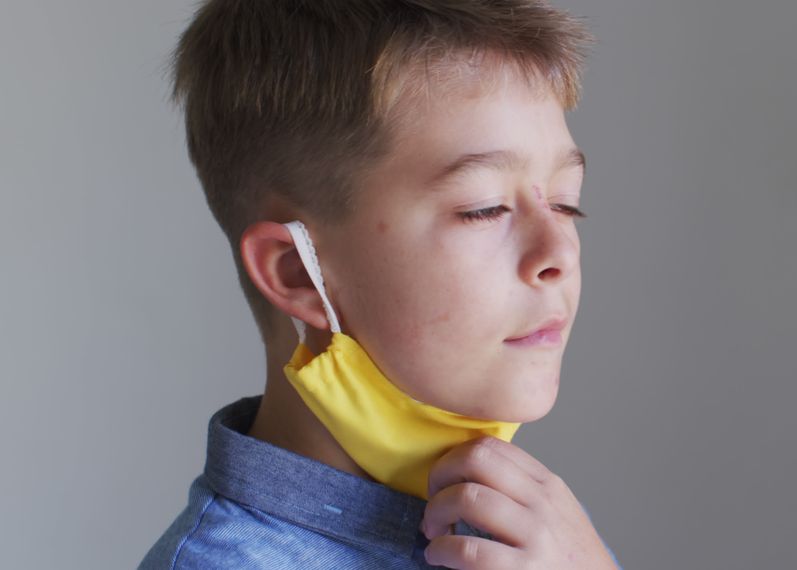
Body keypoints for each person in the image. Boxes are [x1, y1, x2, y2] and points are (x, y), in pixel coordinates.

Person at [138, 1, 620, 568]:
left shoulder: (545, 537)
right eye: (484, 209)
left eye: (567, 203)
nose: (560, 251)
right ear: (297, 272)